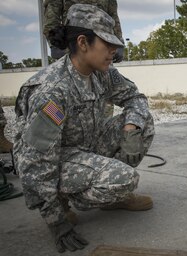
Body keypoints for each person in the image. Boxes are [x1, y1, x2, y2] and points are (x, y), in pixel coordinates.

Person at [13, 4, 154, 253]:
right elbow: (35, 164)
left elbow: (136, 98)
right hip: (58, 158)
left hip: (86, 144)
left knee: (143, 124)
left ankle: (110, 197)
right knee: (125, 179)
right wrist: (56, 222)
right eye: (107, 44)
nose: (114, 51)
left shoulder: (102, 73)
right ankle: (63, 201)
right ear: (83, 42)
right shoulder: (53, 91)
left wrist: (131, 126)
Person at [43, 0, 124, 62]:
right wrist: (54, 44)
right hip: (72, 48)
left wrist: (118, 42)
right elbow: (52, 17)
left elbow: (113, 17)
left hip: (102, 46)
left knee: (105, 81)